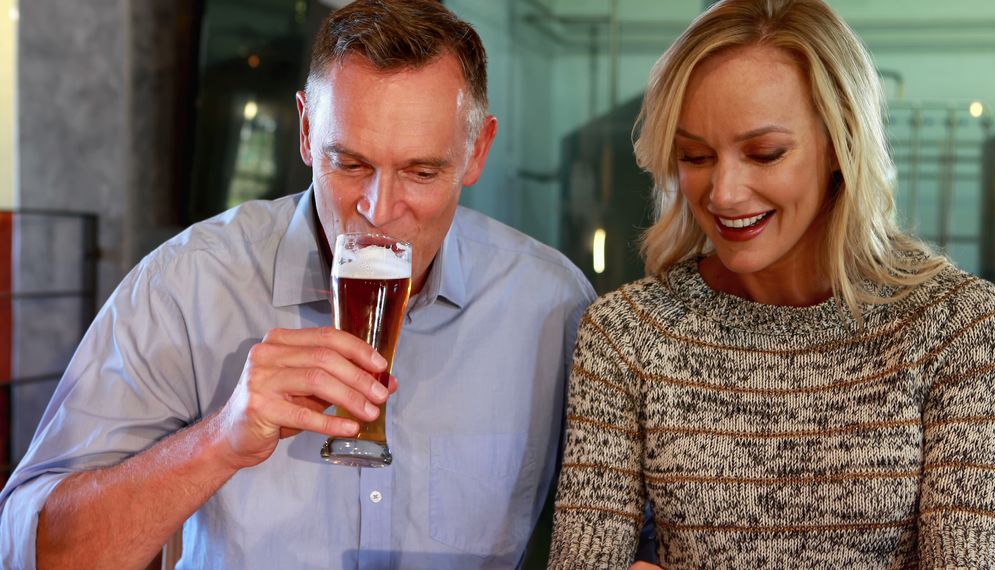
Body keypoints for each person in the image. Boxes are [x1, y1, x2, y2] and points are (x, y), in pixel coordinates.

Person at [0, 1, 595, 568]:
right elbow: (34, 553)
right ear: (307, 132)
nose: (379, 209)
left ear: (477, 151)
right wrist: (221, 439)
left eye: (421, 172)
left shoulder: (550, 305)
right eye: (351, 164)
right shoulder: (189, 282)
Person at [548, 0, 995, 567]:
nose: (722, 193)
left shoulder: (959, 327)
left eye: (764, 153)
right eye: (695, 155)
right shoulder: (627, 334)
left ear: (841, 147)